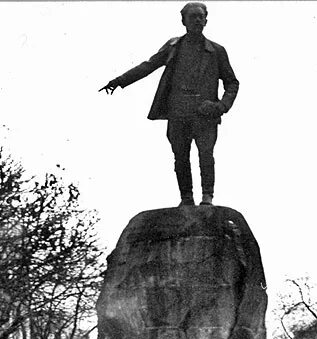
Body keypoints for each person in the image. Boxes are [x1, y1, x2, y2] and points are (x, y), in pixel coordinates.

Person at [100, 2, 239, 207]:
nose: (198, 20)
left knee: (206, 156)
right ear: (184, 20)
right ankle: (186, 198)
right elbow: (148, 65)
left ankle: (207, 197)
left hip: (205, 113)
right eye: (193, 17)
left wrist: (220, 106)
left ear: (206, 20)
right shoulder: (174, 47)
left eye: (201, 17)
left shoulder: (217, 51)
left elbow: (232, 82)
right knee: (180, 157)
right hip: (178, 110)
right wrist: (120, 81)